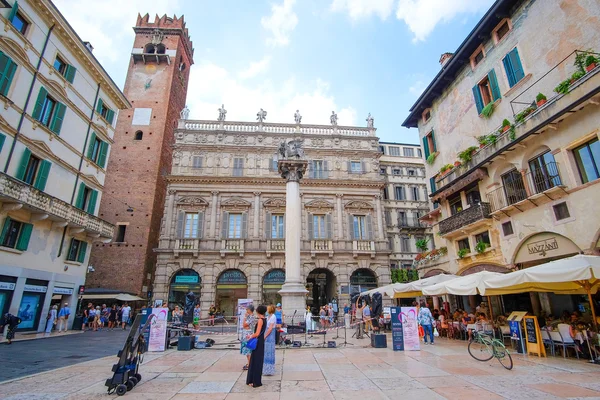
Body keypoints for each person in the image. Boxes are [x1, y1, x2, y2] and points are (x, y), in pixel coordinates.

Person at [246, 305, 267, 388]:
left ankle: (255, 381)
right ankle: (254, 380)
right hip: (261, 341)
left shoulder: (260, 320)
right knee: (257, 360)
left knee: (256, 361)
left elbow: (257, 333)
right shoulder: (265, 319)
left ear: (258, 311)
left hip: (258, 341)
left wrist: (250, 336)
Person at [240, 305, 256, 371]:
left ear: (250, 310)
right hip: (245, 334)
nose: (246, 310)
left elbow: (244, 325)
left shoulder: (251, 317)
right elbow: (244, 326)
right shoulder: (249, 316)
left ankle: (250, 364)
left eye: (247, 309)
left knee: (248, 350)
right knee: (246, 350)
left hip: (248, 335)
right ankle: (249, 363)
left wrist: (245, 317)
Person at [263, 304, 277, 376]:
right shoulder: (268, 316)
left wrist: (265, 336)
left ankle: (269, 369)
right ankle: (265, 368)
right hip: (267, 333)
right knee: (266, 351)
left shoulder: (273, 317)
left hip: (270, 335)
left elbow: (270, 328)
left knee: (269, 350)